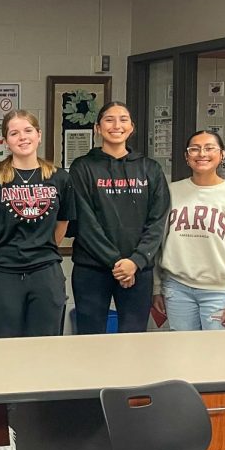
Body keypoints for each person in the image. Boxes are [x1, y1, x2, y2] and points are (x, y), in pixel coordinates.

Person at [0, 110, 74, 450]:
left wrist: (39, 246)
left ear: (39, 134)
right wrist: (7, 248)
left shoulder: (59, 178)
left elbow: (62, 225)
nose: (22, 137)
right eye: (14, 133)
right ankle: (6, 429)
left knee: (44, 350)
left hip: (45, 270)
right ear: (5, 140)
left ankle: (40, 425)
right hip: (3, 273)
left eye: (27, 130)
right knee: (4, 351)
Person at [68, 102, 170, 334]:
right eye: (109, 119)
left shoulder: (150, 169)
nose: (117, 125)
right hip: (92, 269)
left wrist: (134, 262)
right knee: (90, 338)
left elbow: (157, 221)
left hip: (138, 269)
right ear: (97, 127)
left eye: (123, 119)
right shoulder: (82, 167)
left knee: (134, 339)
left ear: (131, 127)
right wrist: (117, 263)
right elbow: (85, 221)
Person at [152, 131, 225, 330]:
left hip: (219, 293)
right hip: (177, 289)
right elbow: (157, 242)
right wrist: (157, 287)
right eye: (194, 149)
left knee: (219, 356)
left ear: (222, 155)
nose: (202, 153)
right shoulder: (171, 192)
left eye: (209, 148)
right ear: (187, 157)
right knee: (182, 356)